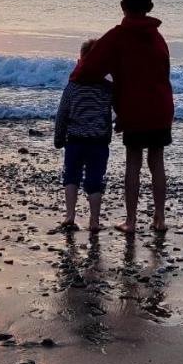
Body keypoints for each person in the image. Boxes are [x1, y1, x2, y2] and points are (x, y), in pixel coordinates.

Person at [73, 0, 174, 233]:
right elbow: (165, 73)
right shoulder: (158, 38)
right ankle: (159, 219)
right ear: (150, 6)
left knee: (133, 162)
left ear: (122, 6)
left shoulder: (117, 36)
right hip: (160, 107)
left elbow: (89, 68)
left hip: (135, 109)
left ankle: (131, 221)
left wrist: (77, 80)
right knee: (157, 162)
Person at [52, 39, 114, 232]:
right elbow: (113, 110)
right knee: (95, 181)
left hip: (75, 141)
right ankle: (94, 221)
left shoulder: (73, 85)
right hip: (98, 141)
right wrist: (114, 129)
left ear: (81, 58)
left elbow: (62, 113)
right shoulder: (106, 87)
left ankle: (70, 215)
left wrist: (59, 137)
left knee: (71, 177)